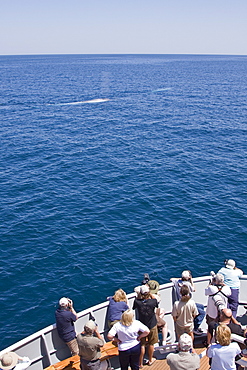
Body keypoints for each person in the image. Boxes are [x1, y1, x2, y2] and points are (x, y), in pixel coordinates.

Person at [171, 270, 205, 335]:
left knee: (201, 306)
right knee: (202, 313)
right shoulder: (188, 284)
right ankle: (195, 327)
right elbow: (194, 289)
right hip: (187, 303)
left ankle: (195, 325)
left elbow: (171, 279)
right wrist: (191, 280)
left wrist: (180, 279)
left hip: (181, 301)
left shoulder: (177, 282)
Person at [133, 285, 158, 367]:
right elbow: (154, 299)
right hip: (152, 325)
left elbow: (134, 306)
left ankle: (140, 363)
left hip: (142, 326)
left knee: (142, 344)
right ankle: (150, 360)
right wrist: (150, 294)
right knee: (151, 343)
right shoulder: (153, 301)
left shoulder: (137, 302)